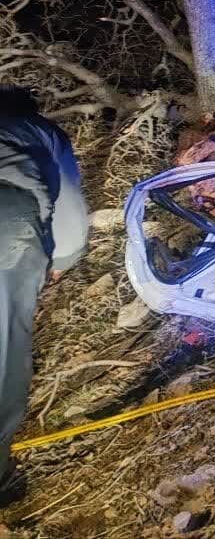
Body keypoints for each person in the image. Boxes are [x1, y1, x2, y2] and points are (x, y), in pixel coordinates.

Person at [1, 88, 88, 498]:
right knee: (4, 345)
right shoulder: (37, 130)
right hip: (7, 222)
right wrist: (66, 255)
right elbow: (67, 197)